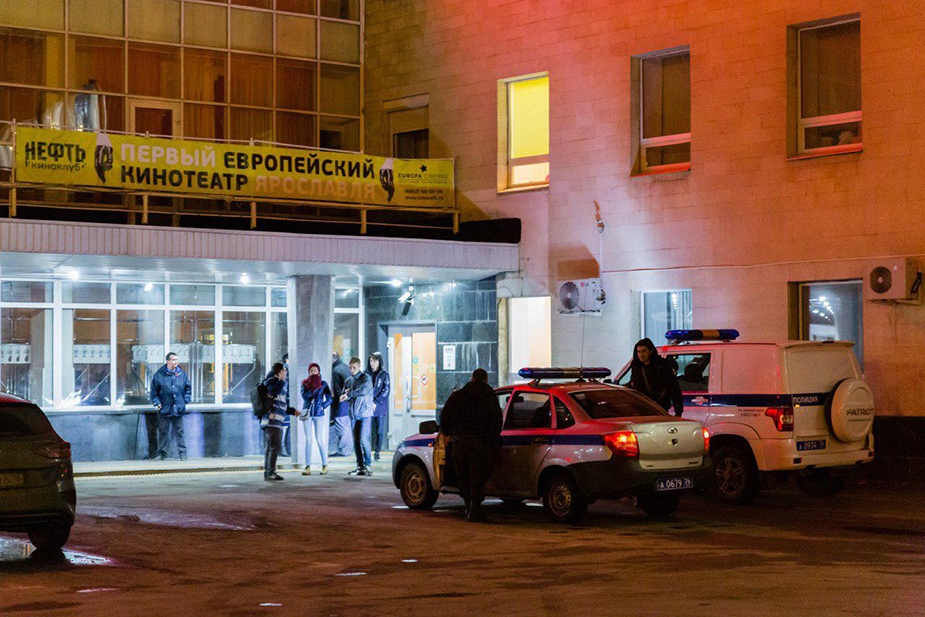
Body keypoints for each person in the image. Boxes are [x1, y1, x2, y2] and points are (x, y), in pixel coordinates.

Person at [440, 368, 503, 523]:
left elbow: (444, 416)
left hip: (459, 442)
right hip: (480, 442)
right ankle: (474, 509)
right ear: (486, 380)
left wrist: (448, 434)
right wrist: (493, 439)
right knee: (477, 476)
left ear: (472, 378)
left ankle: (468, 506)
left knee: (463, 476)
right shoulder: (489, 396)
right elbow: (497, 419)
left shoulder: (458, 395)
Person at [149, 352, 192, 461]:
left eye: (176, 359)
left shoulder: (182, 374)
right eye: (173, 360)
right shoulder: (159, 375)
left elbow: (188, 388)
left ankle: (183, 454)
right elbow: (153, 392)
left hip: (178, 408)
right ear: (167, 361)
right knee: (163, 432)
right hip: (165, 408)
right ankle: (161, 454)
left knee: (179, 432)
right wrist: (157, 403)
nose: (175, 362)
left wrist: (185, 401)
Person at [261, 362, 299, 481]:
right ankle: (270, 472)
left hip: (276, 421)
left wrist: (293, 411)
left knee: (271, 447)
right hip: (272, 421)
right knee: (275, 447)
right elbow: (273, 392)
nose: (286, 372)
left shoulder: (279, 383)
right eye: (284, 370)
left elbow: (281, 404)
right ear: (280, 372)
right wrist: (281, 380)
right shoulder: (271, 382)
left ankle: (269, 472)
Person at [628, 338, 684, 417]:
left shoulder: (663, 366)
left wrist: (678, 411)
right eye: (639, 352)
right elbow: (634, 384)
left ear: (650, 351)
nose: (641, 355)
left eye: (644, 351)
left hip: (659, 407)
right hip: (642, 408)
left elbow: (674, 388)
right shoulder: (636, 366)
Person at [341, 357, 374, 476]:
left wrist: (349, 394)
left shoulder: (366, 378)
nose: (351, 370)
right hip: (354, 414)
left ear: (359, 366)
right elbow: (345, 394)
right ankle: (360, 466)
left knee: (363, 440)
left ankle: (368, 464)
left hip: (365, 413)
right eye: (350, 367)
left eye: (354, 367)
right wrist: (344, 396)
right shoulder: (348, 381)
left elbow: (363, 391)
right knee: (356, 441)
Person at [300, 363, 332, 476]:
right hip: (307, 411)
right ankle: (307, 466)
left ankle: (325, 465)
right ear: (309, 372)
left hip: (319, 413)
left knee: (319, 439)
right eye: (311, 370)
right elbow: (305, 397)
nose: (313, 372)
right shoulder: (304, 383)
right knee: (308, 440)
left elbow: (330, 398)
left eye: (315, 370)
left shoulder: (323, 384)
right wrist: (313, 388)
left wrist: (322, 406)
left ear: (318, 371)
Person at [366, 352, 391, 461]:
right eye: (371, 360)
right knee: (366, 431)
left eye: (375, 360)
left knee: (379, 431)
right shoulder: (365, 374)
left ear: (379, 361)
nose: (372, 363)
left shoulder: (384, 374)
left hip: (379, 407)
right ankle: (366, 452)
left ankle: (377, 452)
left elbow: (386, 391)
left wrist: (376, 402)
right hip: (367, 406)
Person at [329, 353, 354, 457]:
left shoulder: (336, 370)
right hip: (349, 401)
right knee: (347, 426)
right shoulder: (345, 367)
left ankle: (343, 450)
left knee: (342, 427)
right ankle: (347, 450)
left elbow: (338, 391)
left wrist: (334, 406)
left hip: (342, 403)